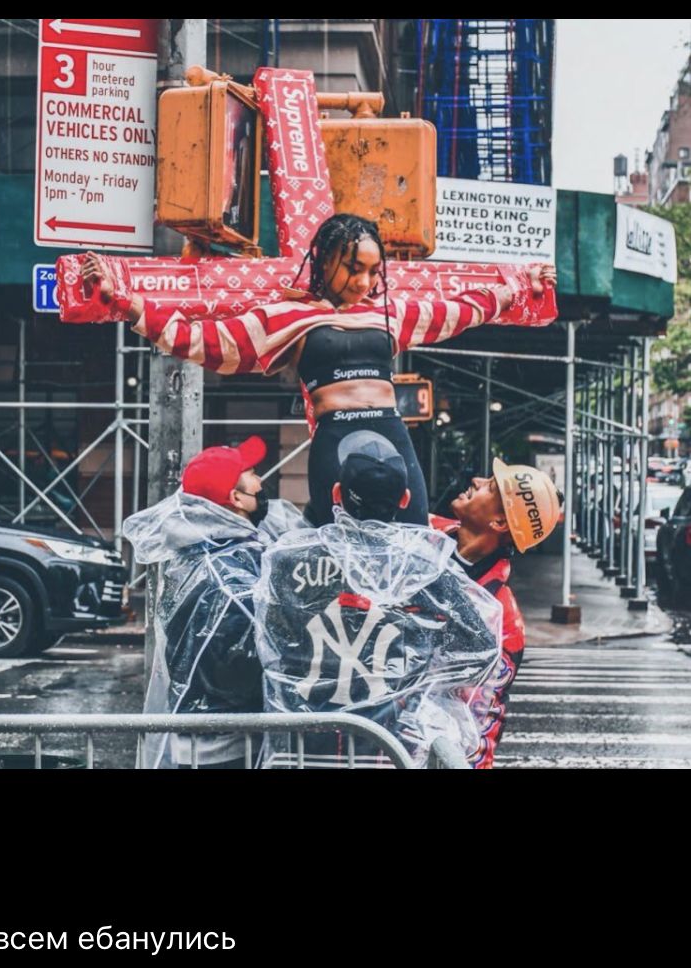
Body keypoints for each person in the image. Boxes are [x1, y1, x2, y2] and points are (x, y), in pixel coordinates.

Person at [80, 213, 557, 527]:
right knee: (338, 548)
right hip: (335, 444)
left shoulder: (388, 313)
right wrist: (125, 303)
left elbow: (458, 310)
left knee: (409, 544)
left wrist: (520, 288)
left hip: (395, 439)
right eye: (354, 267)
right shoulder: (287, 316)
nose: (365, 281)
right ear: (325, 260)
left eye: (374, 271)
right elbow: (208, 343)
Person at [252, 431, 502, 768]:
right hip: (386, 749)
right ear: (405, 499)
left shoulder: (287, 557)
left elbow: (268, 642)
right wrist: (418, 670)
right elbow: (482, 652)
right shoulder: (425, 569)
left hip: (301, 747)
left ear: (337, 494)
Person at [124, 435, 299, 768]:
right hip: (226, 747)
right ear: (235, 499)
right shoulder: (230, 573)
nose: (260, 481)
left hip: (202, 740)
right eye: (251, 474)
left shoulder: (199, 555)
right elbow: (243, 662)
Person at [429, 458, 563, 768]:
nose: (475, 480)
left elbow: (481, 721)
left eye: (489, 486)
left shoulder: (501, 618)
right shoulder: (420, 532)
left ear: (499, 523)